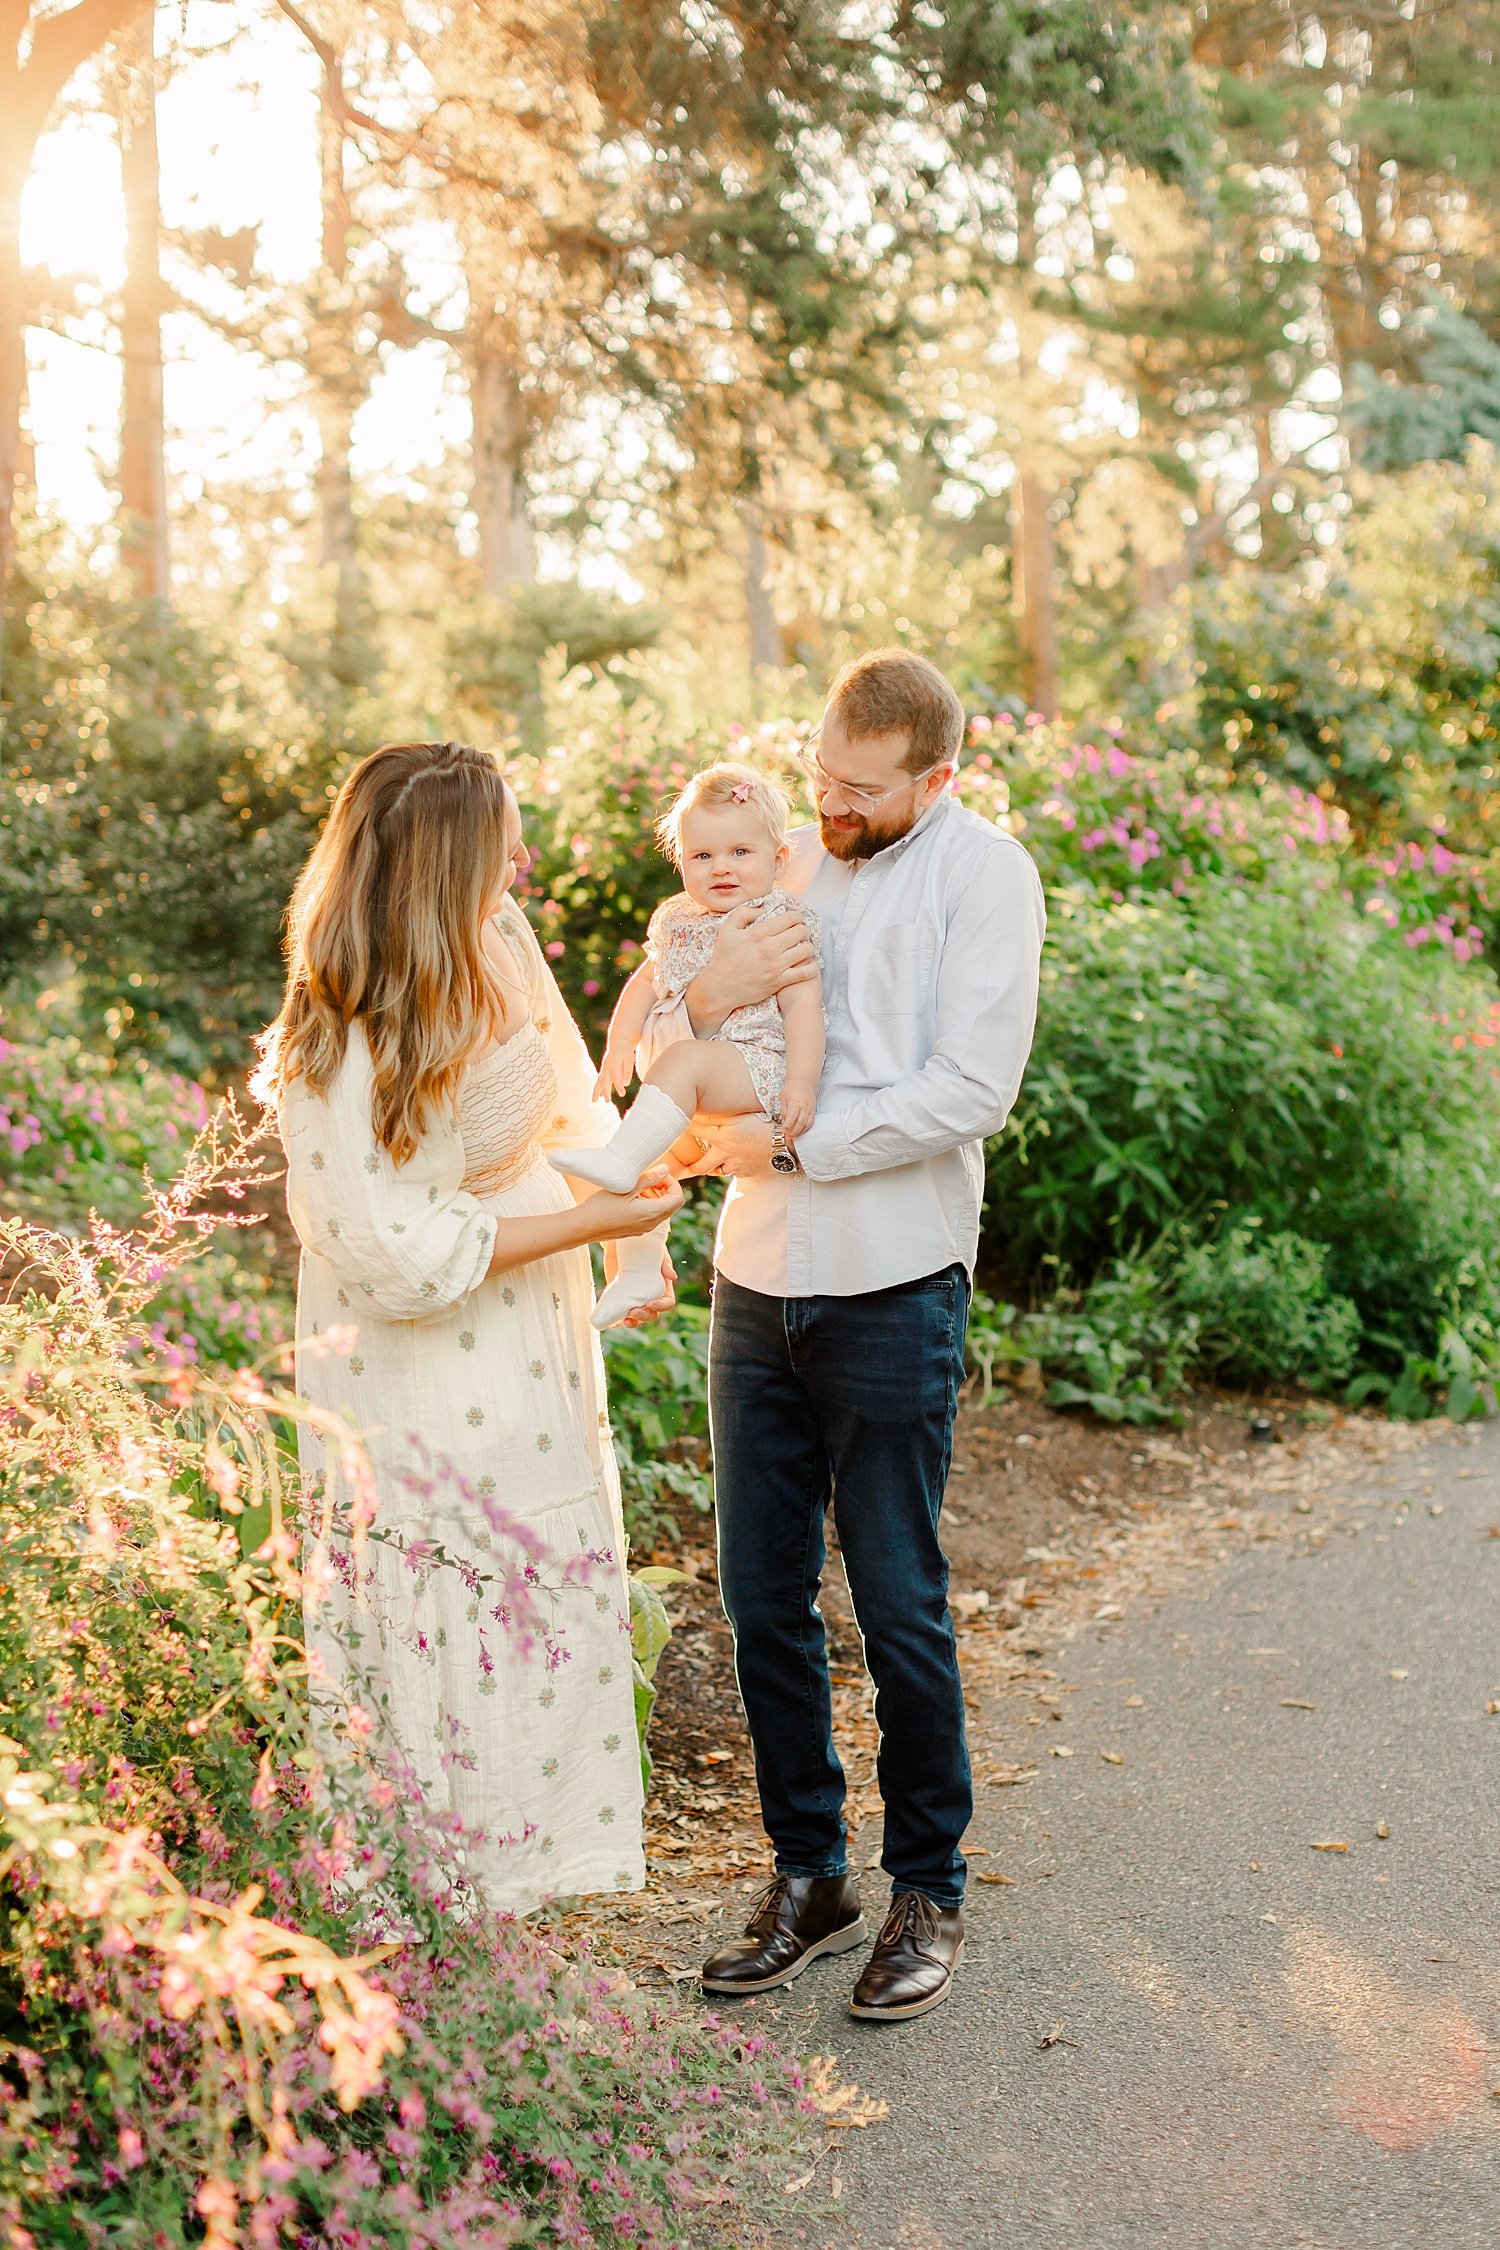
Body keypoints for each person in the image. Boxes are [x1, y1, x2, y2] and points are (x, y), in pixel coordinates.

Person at [643, 651, 1045, 2022]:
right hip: (753, 1274)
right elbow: (673, 1020)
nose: (831, 804)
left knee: (895, 1600)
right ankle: (809, 1872)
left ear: (940, 776)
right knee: (761, 1596)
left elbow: (969, 1085)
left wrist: (795, 1148)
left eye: (862, 789)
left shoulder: (986, 876)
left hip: (893, 1273)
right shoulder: (777, 852)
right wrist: (697, 1007)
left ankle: (927, 1879)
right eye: (820, 773)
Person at [255, 740, 682, 1917]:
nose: (521, 860)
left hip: (533, 1348)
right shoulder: (338, 1035)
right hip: (417, 1373)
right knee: (444, 1610)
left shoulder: (502, 939)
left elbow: (565, 1097)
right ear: (440, 864)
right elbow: (397, 1259)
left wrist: (635, 1199)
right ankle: (434, 1934)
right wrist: (583, 1219)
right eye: (500, 841)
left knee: (534, 1593)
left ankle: (526, 1919)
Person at [552, 762, 824, 1329]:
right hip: (703, 1077)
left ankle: (617, 1160)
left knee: (678, 1064)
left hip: (757, 1068)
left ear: (778, 861)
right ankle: (639, 1271)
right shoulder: (679, 920)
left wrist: (800, 1083)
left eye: (739, 853)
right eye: (702, 857)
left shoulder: (780, 918)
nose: (720, 867)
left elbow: (803, 1008)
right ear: (681, 863)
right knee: (656, 1170)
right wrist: (621, 1042)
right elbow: (646, 983)